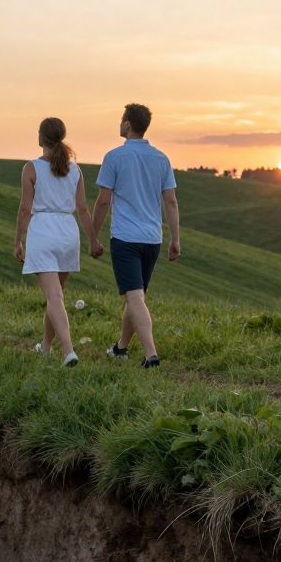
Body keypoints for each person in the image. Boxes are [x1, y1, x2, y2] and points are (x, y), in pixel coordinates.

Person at [88, 102, 180, 367]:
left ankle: (151, 354)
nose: (119, 123)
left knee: (134, 296)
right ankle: (120, 348)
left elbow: (103, 201)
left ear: (128, 124)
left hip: (126, 238)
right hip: (153, 238)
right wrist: (175, 239)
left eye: (121, 119)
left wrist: (93, 236)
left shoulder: (114, 157)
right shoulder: (161, 158)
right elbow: (171, 201)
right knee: (135, 295)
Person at [15, 117, 91, 366]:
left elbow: (25, 209)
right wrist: (93, 239)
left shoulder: (31, 168)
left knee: (54, 297)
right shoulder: (75, 170)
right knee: (55, 296)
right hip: (68, 233)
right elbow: (82, 207)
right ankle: (46, 346)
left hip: (43, 232)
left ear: (40, 138)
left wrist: (18, 241)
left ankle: (68, 351)